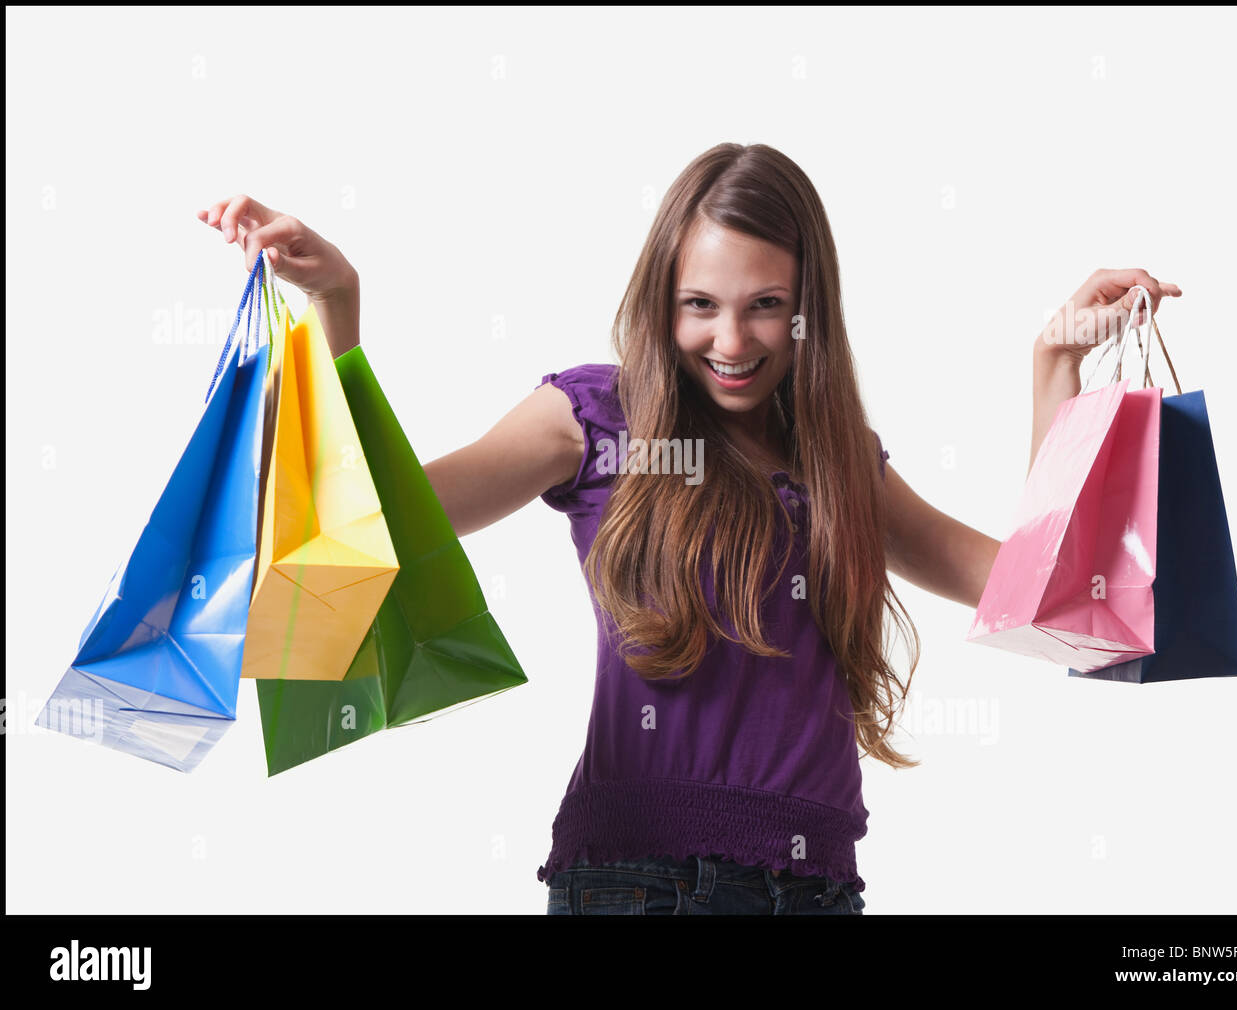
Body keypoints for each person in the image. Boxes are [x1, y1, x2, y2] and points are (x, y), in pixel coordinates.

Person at [198, 143, 1180, 915]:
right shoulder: (590, 415)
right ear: (659, 300)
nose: (730, 339)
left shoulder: (839, 460)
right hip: (633, 882)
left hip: (816, 888)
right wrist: (337, 305)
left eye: (766, 307)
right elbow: (371, 520)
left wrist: (1056, 370)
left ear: (808, 312)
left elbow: (1050, 598)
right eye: (699, 305)